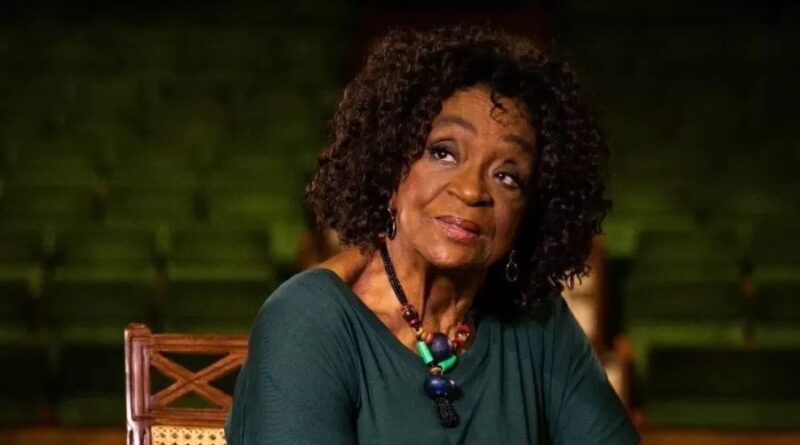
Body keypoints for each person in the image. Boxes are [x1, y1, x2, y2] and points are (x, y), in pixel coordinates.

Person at [226, 26, 640, 445]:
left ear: (530, 212)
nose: (472, 190)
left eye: (507, 176)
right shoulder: (306, 321)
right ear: (390, 165)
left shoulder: (541, 324)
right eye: (443, 152)